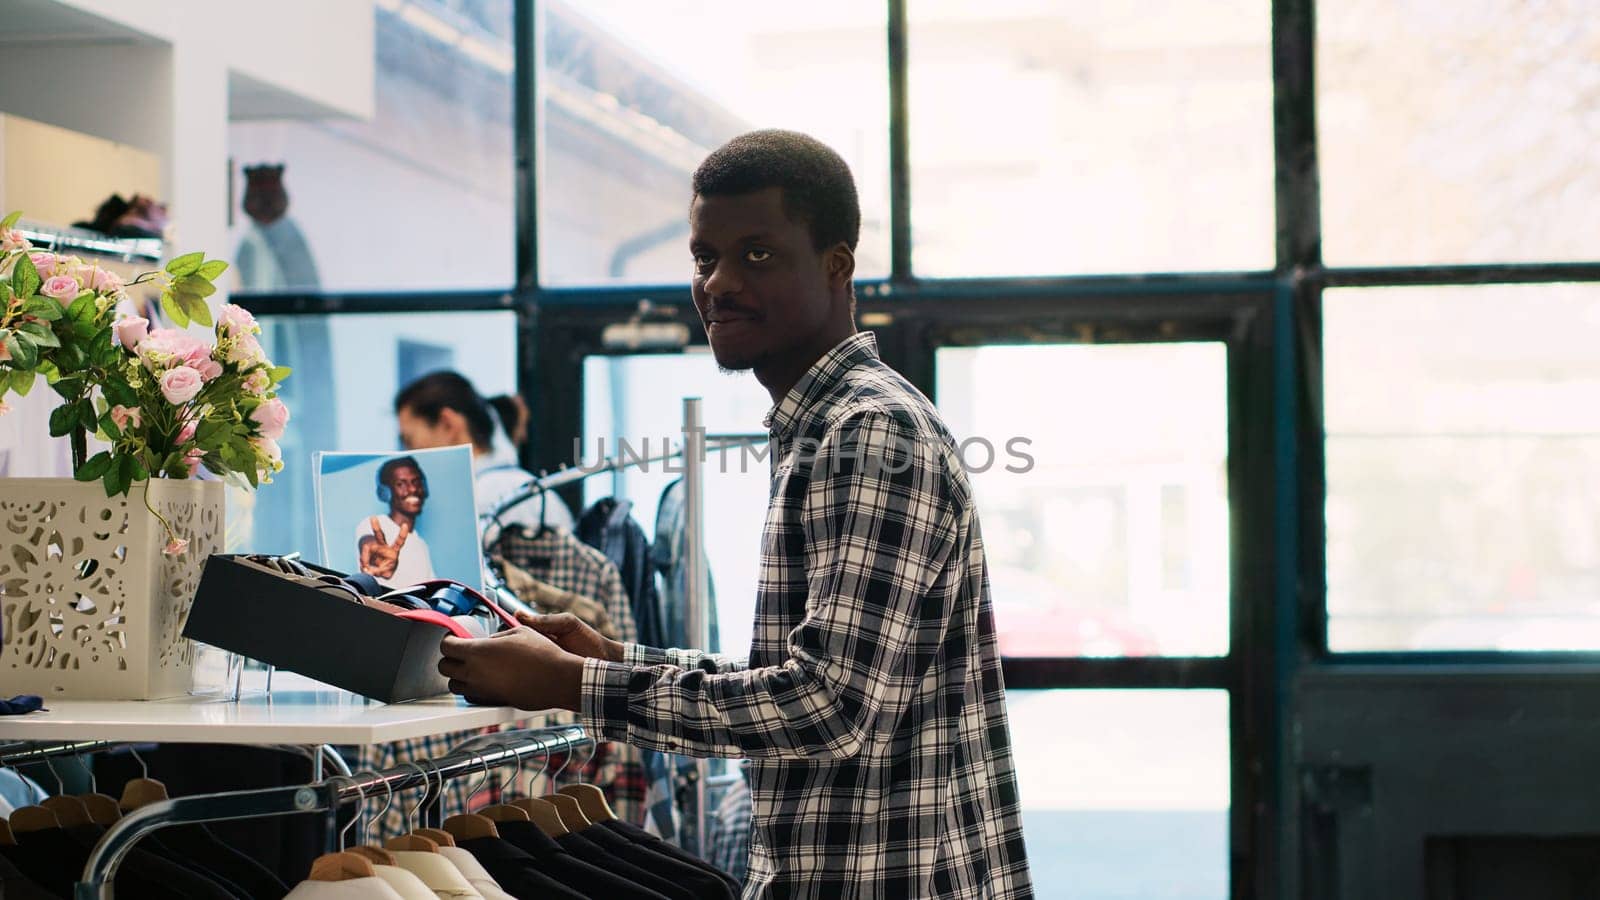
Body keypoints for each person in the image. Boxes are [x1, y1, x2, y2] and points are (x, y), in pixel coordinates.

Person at [437, 130, 1034, 898]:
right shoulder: (827, 428)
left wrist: (575, 685)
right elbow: (796, 676)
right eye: (703, 257)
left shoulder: (869, 433)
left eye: (756, 254)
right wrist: (611, 656)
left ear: (836, 266)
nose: (717, 283)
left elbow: (828, 707)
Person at [394, 370, 576, 534]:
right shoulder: (539, 494)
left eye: (410, 441)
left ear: (448, 424)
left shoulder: (471, 505)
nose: (408, 455)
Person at [356, 455, 436, 586]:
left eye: (416, 482)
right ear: (385, 493)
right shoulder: (373, 524)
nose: (412, 489)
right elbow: (369, 544)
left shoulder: (422, 545)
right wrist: (375, 555)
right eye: (401, 484)